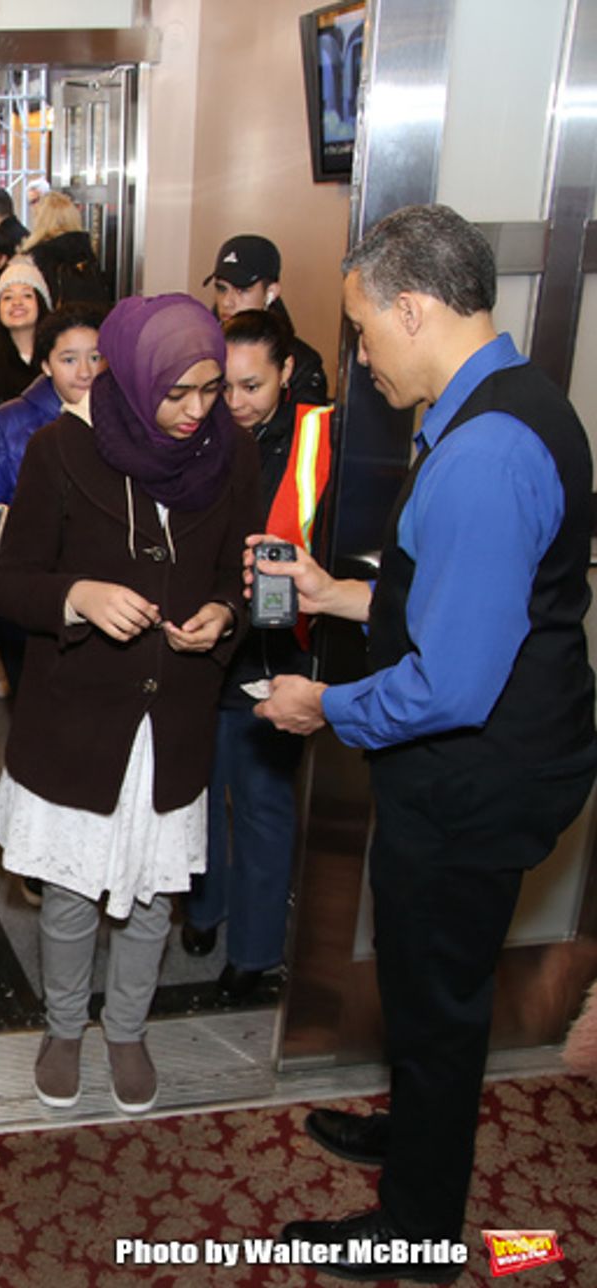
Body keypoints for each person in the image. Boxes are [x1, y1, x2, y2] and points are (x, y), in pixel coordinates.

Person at [255, 204, 596, 1280]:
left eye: (363, 330)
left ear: (412, 310)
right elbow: (455, 602)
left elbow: (450, 681)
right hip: (498, 758)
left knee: (438, 1002)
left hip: (475, 780)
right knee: (428, 985)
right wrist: (335, 595)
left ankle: (416, 1232)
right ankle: (418, 1134)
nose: (360, 356)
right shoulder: (509, 401)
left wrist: (325, 707)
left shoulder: (484, 452)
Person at [0, 294, 258, 1116]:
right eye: (176, 393)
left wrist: (226, 615)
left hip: (174, 715)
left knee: (151, 896)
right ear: (135, 381)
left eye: (210, 390)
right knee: (71, 893)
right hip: (79, 714)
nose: (195, 411)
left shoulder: (234, 454)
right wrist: (78, 596)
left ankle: (129, 1030)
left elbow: (239, 573)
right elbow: (10, 583)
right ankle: (66, 1026)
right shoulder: (60, 450)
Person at [182, 309, 332, 1003]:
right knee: (200, 790)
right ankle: (204, 908)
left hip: (280, 653)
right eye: (226, 386)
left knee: (263, 802)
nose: (235, 402)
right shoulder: (196, 431)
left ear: (286, 373)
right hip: (209, 643)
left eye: (252, 386)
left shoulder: (321, 440)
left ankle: (256, 948)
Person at [0, 302, 107, 698]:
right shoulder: (7, 423)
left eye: (95, 357)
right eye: (69, 359)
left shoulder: (127, 420)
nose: (84, 371)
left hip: (106, 595)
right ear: (46, 365)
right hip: (36, 595)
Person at [202, 233, 329, 404]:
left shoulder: (302, 363)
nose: (227, 302)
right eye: (221, 289)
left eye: (242, 290)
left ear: (271, 292)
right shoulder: (199, 349)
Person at [21, 191, 111, 308]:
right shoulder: (86, 253)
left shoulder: (38, 257)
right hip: (91, 317)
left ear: (41, 220)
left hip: (57, 318)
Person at [0, 257, 51, 407]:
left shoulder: (57, 355)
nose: (17, 302)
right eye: (7, 297)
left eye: (27, 295)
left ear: (41, 303)